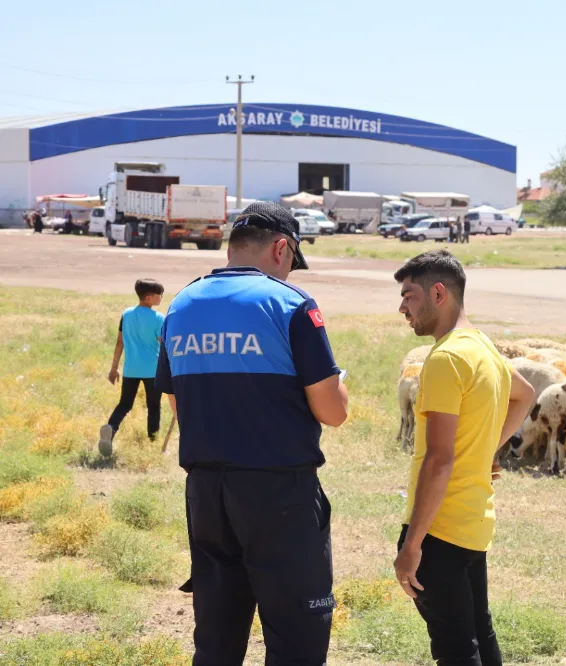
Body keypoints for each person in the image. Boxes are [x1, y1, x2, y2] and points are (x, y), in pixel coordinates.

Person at [155, 201, 349, 666]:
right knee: (297, 637)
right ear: (282, 248)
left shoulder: (181, 304)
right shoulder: (289, 304)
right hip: (278, 492)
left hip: (206, 494)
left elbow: (178, 403)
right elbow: (332, 411)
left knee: (217, 637)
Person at [393, 250, 535, 666]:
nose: (403, 307)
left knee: (455, 650)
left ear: (438, 293)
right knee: (478, 633)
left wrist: (412, 543)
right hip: (473, 523)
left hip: (441, 528)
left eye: (409, 295)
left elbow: (439, 460)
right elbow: (524, 395)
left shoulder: (445, 358)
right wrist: (484, 446)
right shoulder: (482, 348)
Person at [99, 278, 166, 456]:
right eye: (160, 295)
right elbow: (164, 345)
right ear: (149, 298)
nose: (161, 298)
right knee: (153, 406)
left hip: (131, 369)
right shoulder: (159, 318)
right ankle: (153, 442)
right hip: (152, 369)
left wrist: (114, 368)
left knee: (125, 404)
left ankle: (111, 429)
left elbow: (119, 342)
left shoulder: (127, 314)